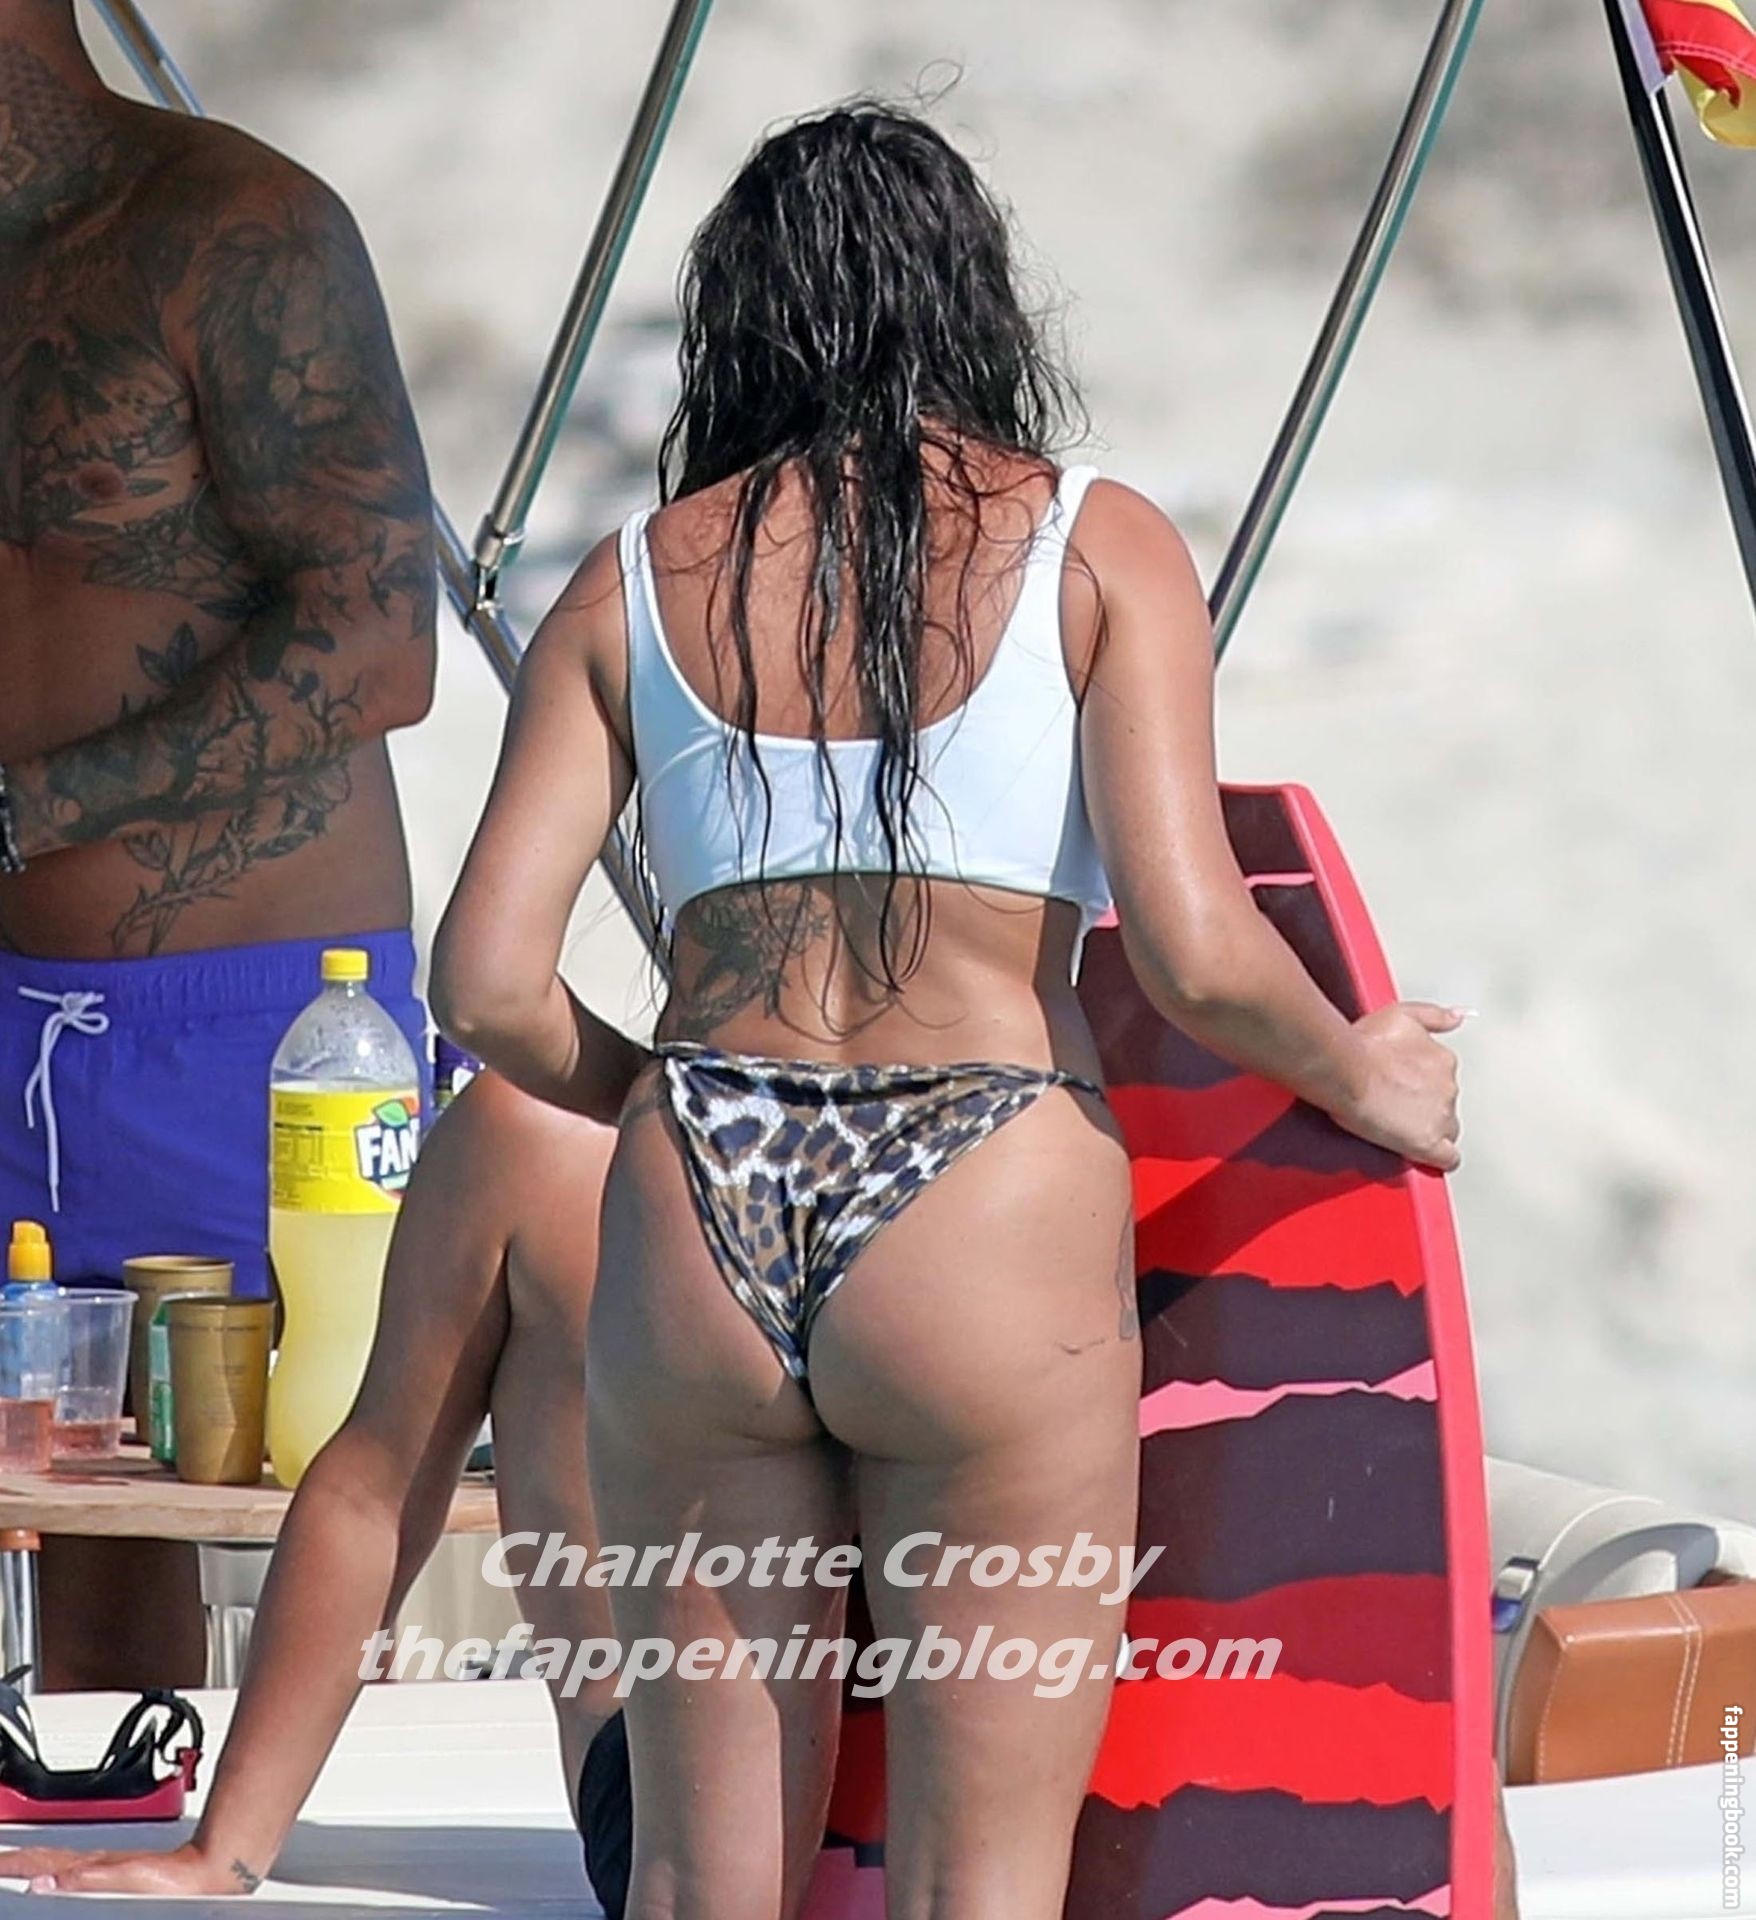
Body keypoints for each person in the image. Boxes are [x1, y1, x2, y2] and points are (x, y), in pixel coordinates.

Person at [429, 103, 1463, 1920]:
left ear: (739, 324)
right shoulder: (1095, 548)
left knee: (696, 1879)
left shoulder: (629, 582)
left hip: (702, 1188)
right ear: (972, 302)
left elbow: (487, 985)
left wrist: (667, 1091)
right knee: (978, 1882)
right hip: (979, 1181)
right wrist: (1361, 1072)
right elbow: (1198, 949)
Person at [0, 0, 436, 1292]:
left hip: (262, 1048)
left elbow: (379, 639)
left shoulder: (233, 228)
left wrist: (21, 813)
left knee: (269, 1428)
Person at [0, 1068, 623, 1900]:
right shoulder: (546, 1138)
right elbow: (370, 1501)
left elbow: (375, 1497)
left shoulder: (540, 1138)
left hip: (671, 1809)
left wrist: (224, 1852)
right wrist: (224, 1852)